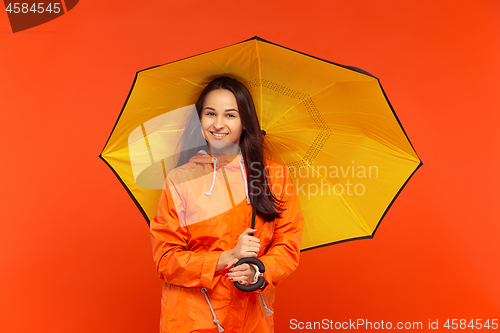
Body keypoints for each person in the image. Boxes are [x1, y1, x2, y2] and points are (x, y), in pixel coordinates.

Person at [149, 76, 304, 333]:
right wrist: (227, 257)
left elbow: (287, 246)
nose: (219, 124)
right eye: (210, 113)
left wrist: (259, 271)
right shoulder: (180, 180)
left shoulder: (274, 176)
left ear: (245, 122)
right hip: (192, 321)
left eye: (230, 115)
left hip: (252, 319)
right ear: (200, 120)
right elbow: (166, 260)